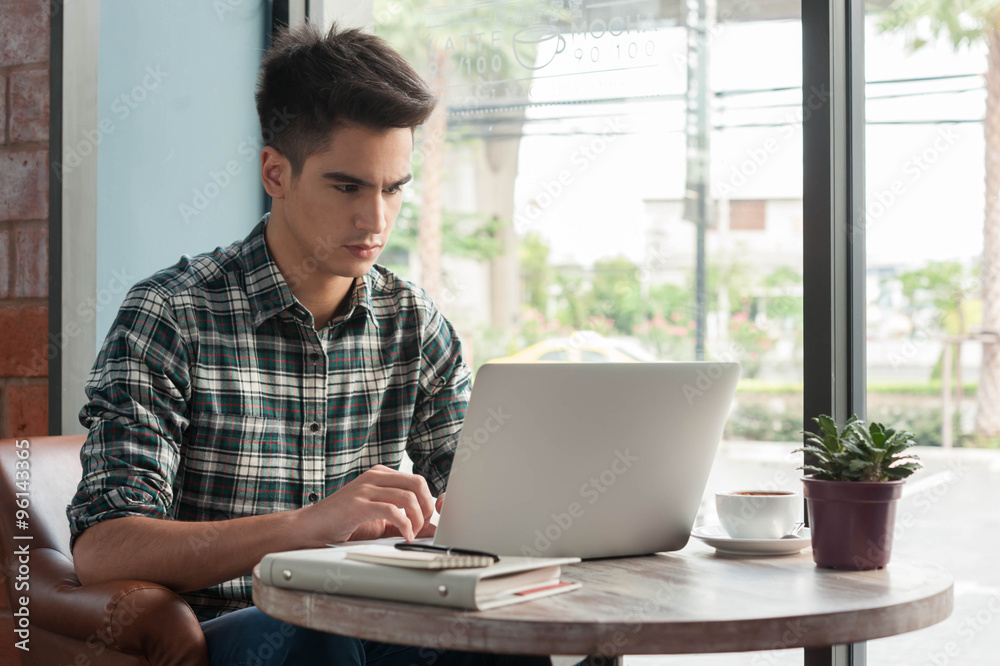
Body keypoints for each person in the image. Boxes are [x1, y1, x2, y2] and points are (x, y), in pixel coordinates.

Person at [67, 22, 550, 666]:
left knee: (513, 640)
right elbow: (104, 548)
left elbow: (481, 496)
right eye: (347, 186)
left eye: (393, 188)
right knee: (313, 636)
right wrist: (309, 526)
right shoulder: (172, 315)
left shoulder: (412, 320)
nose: (375, 220)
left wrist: (478, 518)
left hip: (380, 624)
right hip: (242, 629)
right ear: (276, 173)